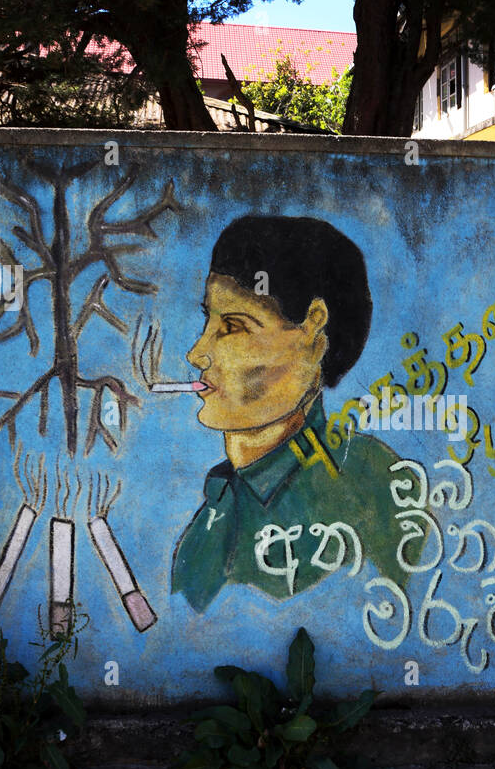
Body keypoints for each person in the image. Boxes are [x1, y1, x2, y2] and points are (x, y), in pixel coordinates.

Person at [171, 216, 417, 611]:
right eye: (208, 320)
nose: (197, 353)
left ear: (312, 331)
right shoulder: (216, 509)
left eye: (233, 326)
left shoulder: (372, 481)